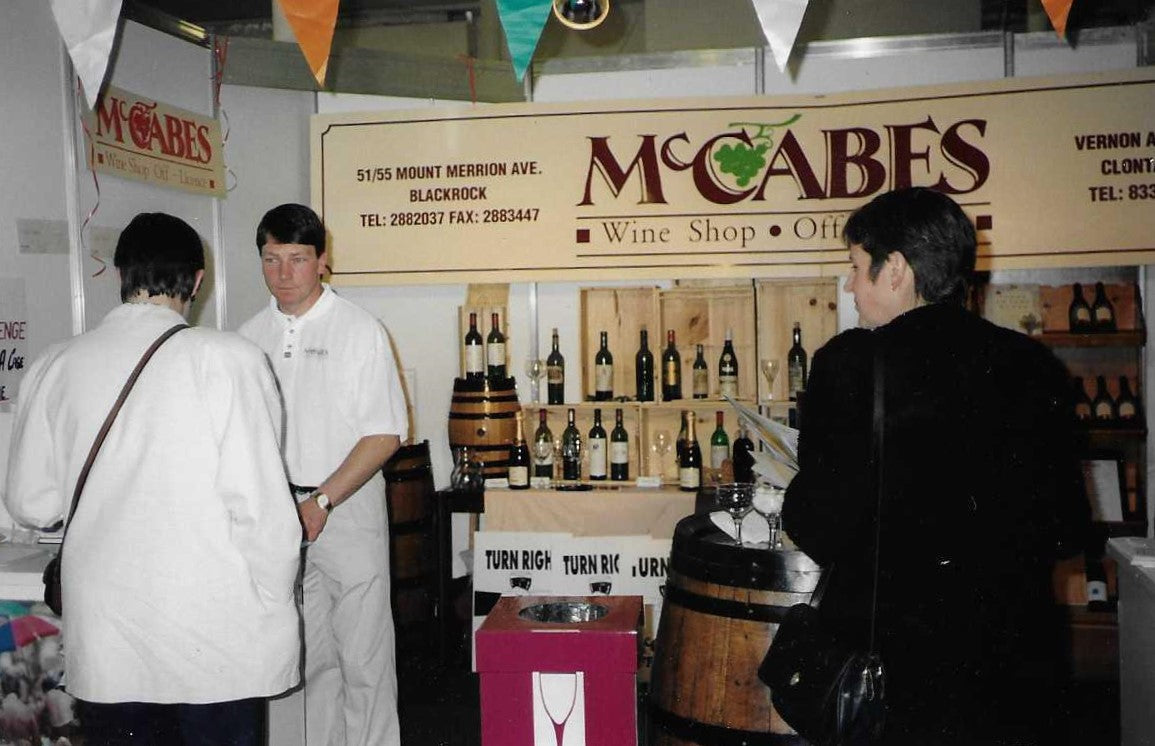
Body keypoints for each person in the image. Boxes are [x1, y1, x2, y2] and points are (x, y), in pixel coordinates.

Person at [781, 187, 1091, 745]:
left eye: (855, 268)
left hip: (898, 682)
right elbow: (1066, 530)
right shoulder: (1034, 364)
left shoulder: (851, 366)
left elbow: (817, 524)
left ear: (894, 269)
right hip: (1015, 676)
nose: (850, 288)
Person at [3, 212, 302, 745]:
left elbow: (31, 502)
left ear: (119, 275)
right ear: (198, 280)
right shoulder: (230, 359)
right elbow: (263, 513)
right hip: (216, 639)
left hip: (108, 643)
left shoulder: (55, 364)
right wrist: (278, 605)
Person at [239, 203, 408, 746]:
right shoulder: (246, 338)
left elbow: (384, 434)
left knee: (363, 659)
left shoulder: (360, 329)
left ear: (322, 262)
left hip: (346, 507)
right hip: (278, 514)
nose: (283, 273)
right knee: (299, 664)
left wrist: (323, 502)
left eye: (297, 259)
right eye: (271, 259)